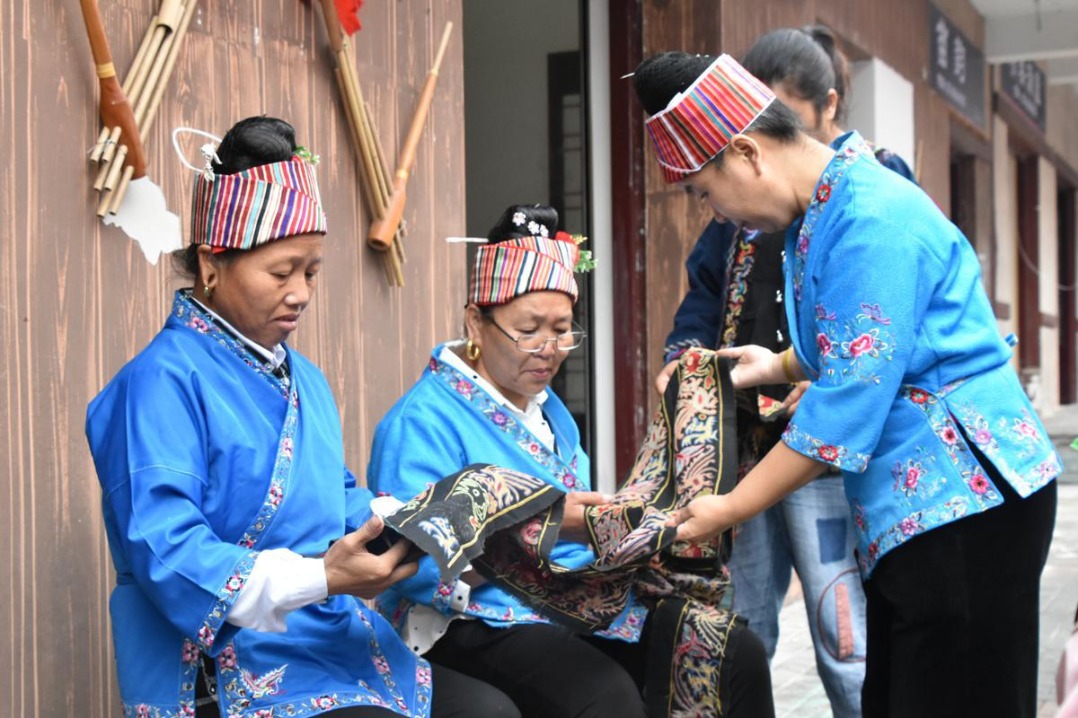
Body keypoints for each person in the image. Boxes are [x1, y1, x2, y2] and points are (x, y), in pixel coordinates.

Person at [634, 53, 1060, 717]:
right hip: (918, 507)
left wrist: (731, 508)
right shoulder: (825, 210)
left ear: (746, 153)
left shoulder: (869, 220)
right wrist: (775, 365)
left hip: (964, 499)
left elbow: (843, 411)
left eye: (704, 192)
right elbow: (866, 340)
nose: (716, 214)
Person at [85, 117, 518, 718]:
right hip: (226, 665)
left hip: (325, 639)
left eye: (311, 271)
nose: (301, 293)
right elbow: (165, 551)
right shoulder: (157, 384)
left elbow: (333, 499)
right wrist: (320, 579)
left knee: (490, 712)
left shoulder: (304, 379)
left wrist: (417, 522)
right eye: (281, 271)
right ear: (212, 264)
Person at [367, 204, 774, 717]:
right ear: (476, 321)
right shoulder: (420, 421)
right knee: (603, 695)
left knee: (728, 651)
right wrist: (545, 532)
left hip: (571, 602)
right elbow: (412, 566)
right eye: (529, 329)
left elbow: (578, 532)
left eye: (562, 330)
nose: (549, 349)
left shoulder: (550, 413)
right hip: (468, 621)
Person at [654, 27, 916, 716]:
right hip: (746, 436)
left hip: (828, 448)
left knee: (845, 630)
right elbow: (704, 298)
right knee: (744, 617)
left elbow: (865, 361)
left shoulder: (868, 196)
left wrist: (806, 378)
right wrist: (687, 357)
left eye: (782, 123)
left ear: (825, 111)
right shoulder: (745, 212)